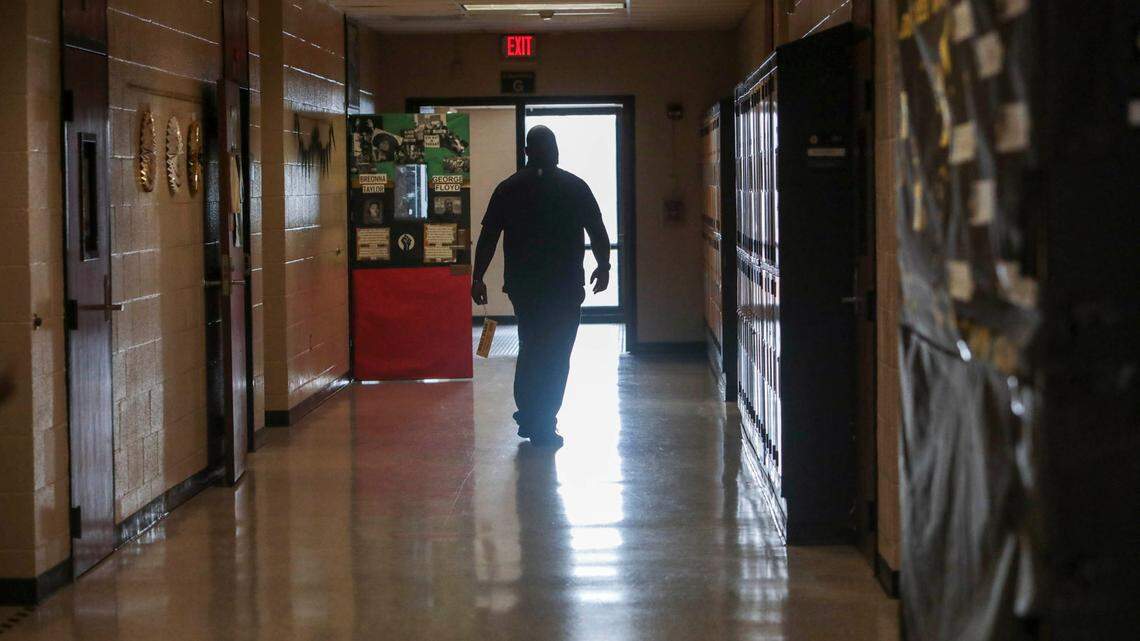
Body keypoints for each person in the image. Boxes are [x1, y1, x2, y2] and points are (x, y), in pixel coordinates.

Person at [471, 125, 611, 448]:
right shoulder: (575, 187)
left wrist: (478, 277)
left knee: (531, 346)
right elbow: (598, 232)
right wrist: (603, 267)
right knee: (557, 353)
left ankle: (529, 412)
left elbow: (488, 236)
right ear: (556, 150)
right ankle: (543, 421)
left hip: (526, 287)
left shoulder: (508, 189)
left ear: (526, 152)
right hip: (564, 288)